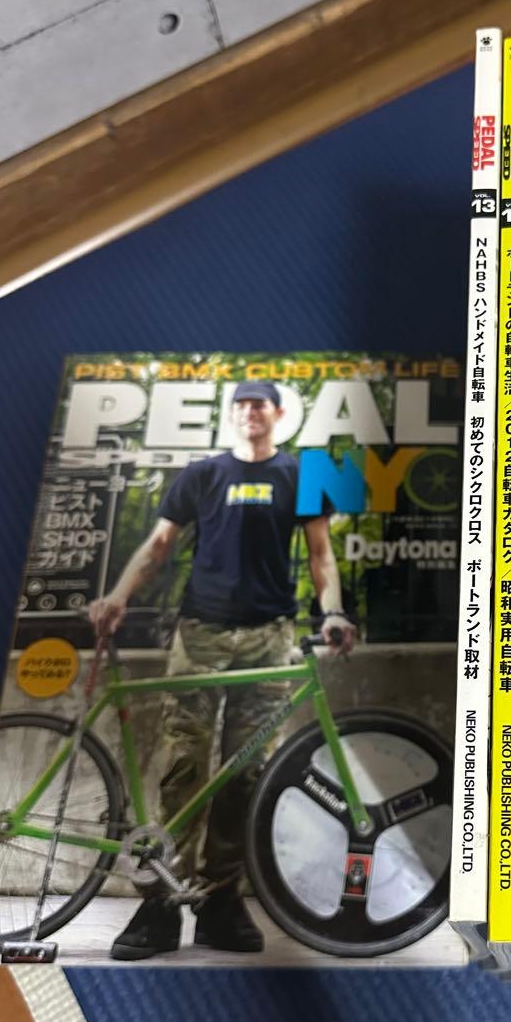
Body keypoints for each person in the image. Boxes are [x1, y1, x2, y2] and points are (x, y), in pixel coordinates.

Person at [89, 381, 356, 961]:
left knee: (247, 771)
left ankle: (219, 901)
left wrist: (332, 611)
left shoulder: (299, 476)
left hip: (269, 638)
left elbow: (320, 555)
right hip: (200, 635)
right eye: (241, 404)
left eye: (260, 403)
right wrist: (118, 596)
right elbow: (159, 546)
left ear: (278, 413)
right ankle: (160, 901)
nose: (249, 411)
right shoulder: (203, 475)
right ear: (231, 415)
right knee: (184, 762)